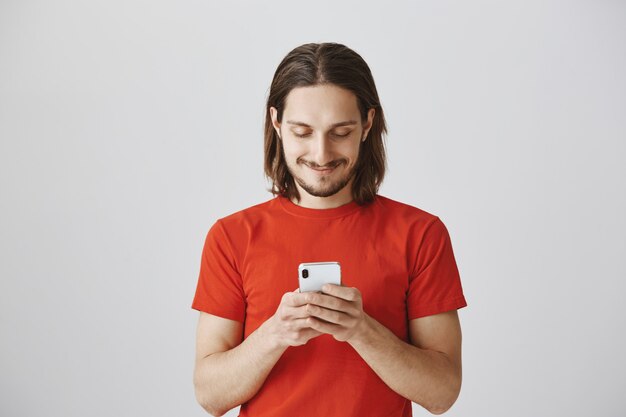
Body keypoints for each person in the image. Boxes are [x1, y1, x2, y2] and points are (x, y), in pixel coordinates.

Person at [191, 42, 467, 417]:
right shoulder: (231, 237)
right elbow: (210, 395)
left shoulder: (420, 234)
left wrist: (361, 330)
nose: (321, 154)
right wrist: (275, 334)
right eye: (302, 132)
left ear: (368, 123)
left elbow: (442, 393)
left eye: (340, 132)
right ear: (276, 122)